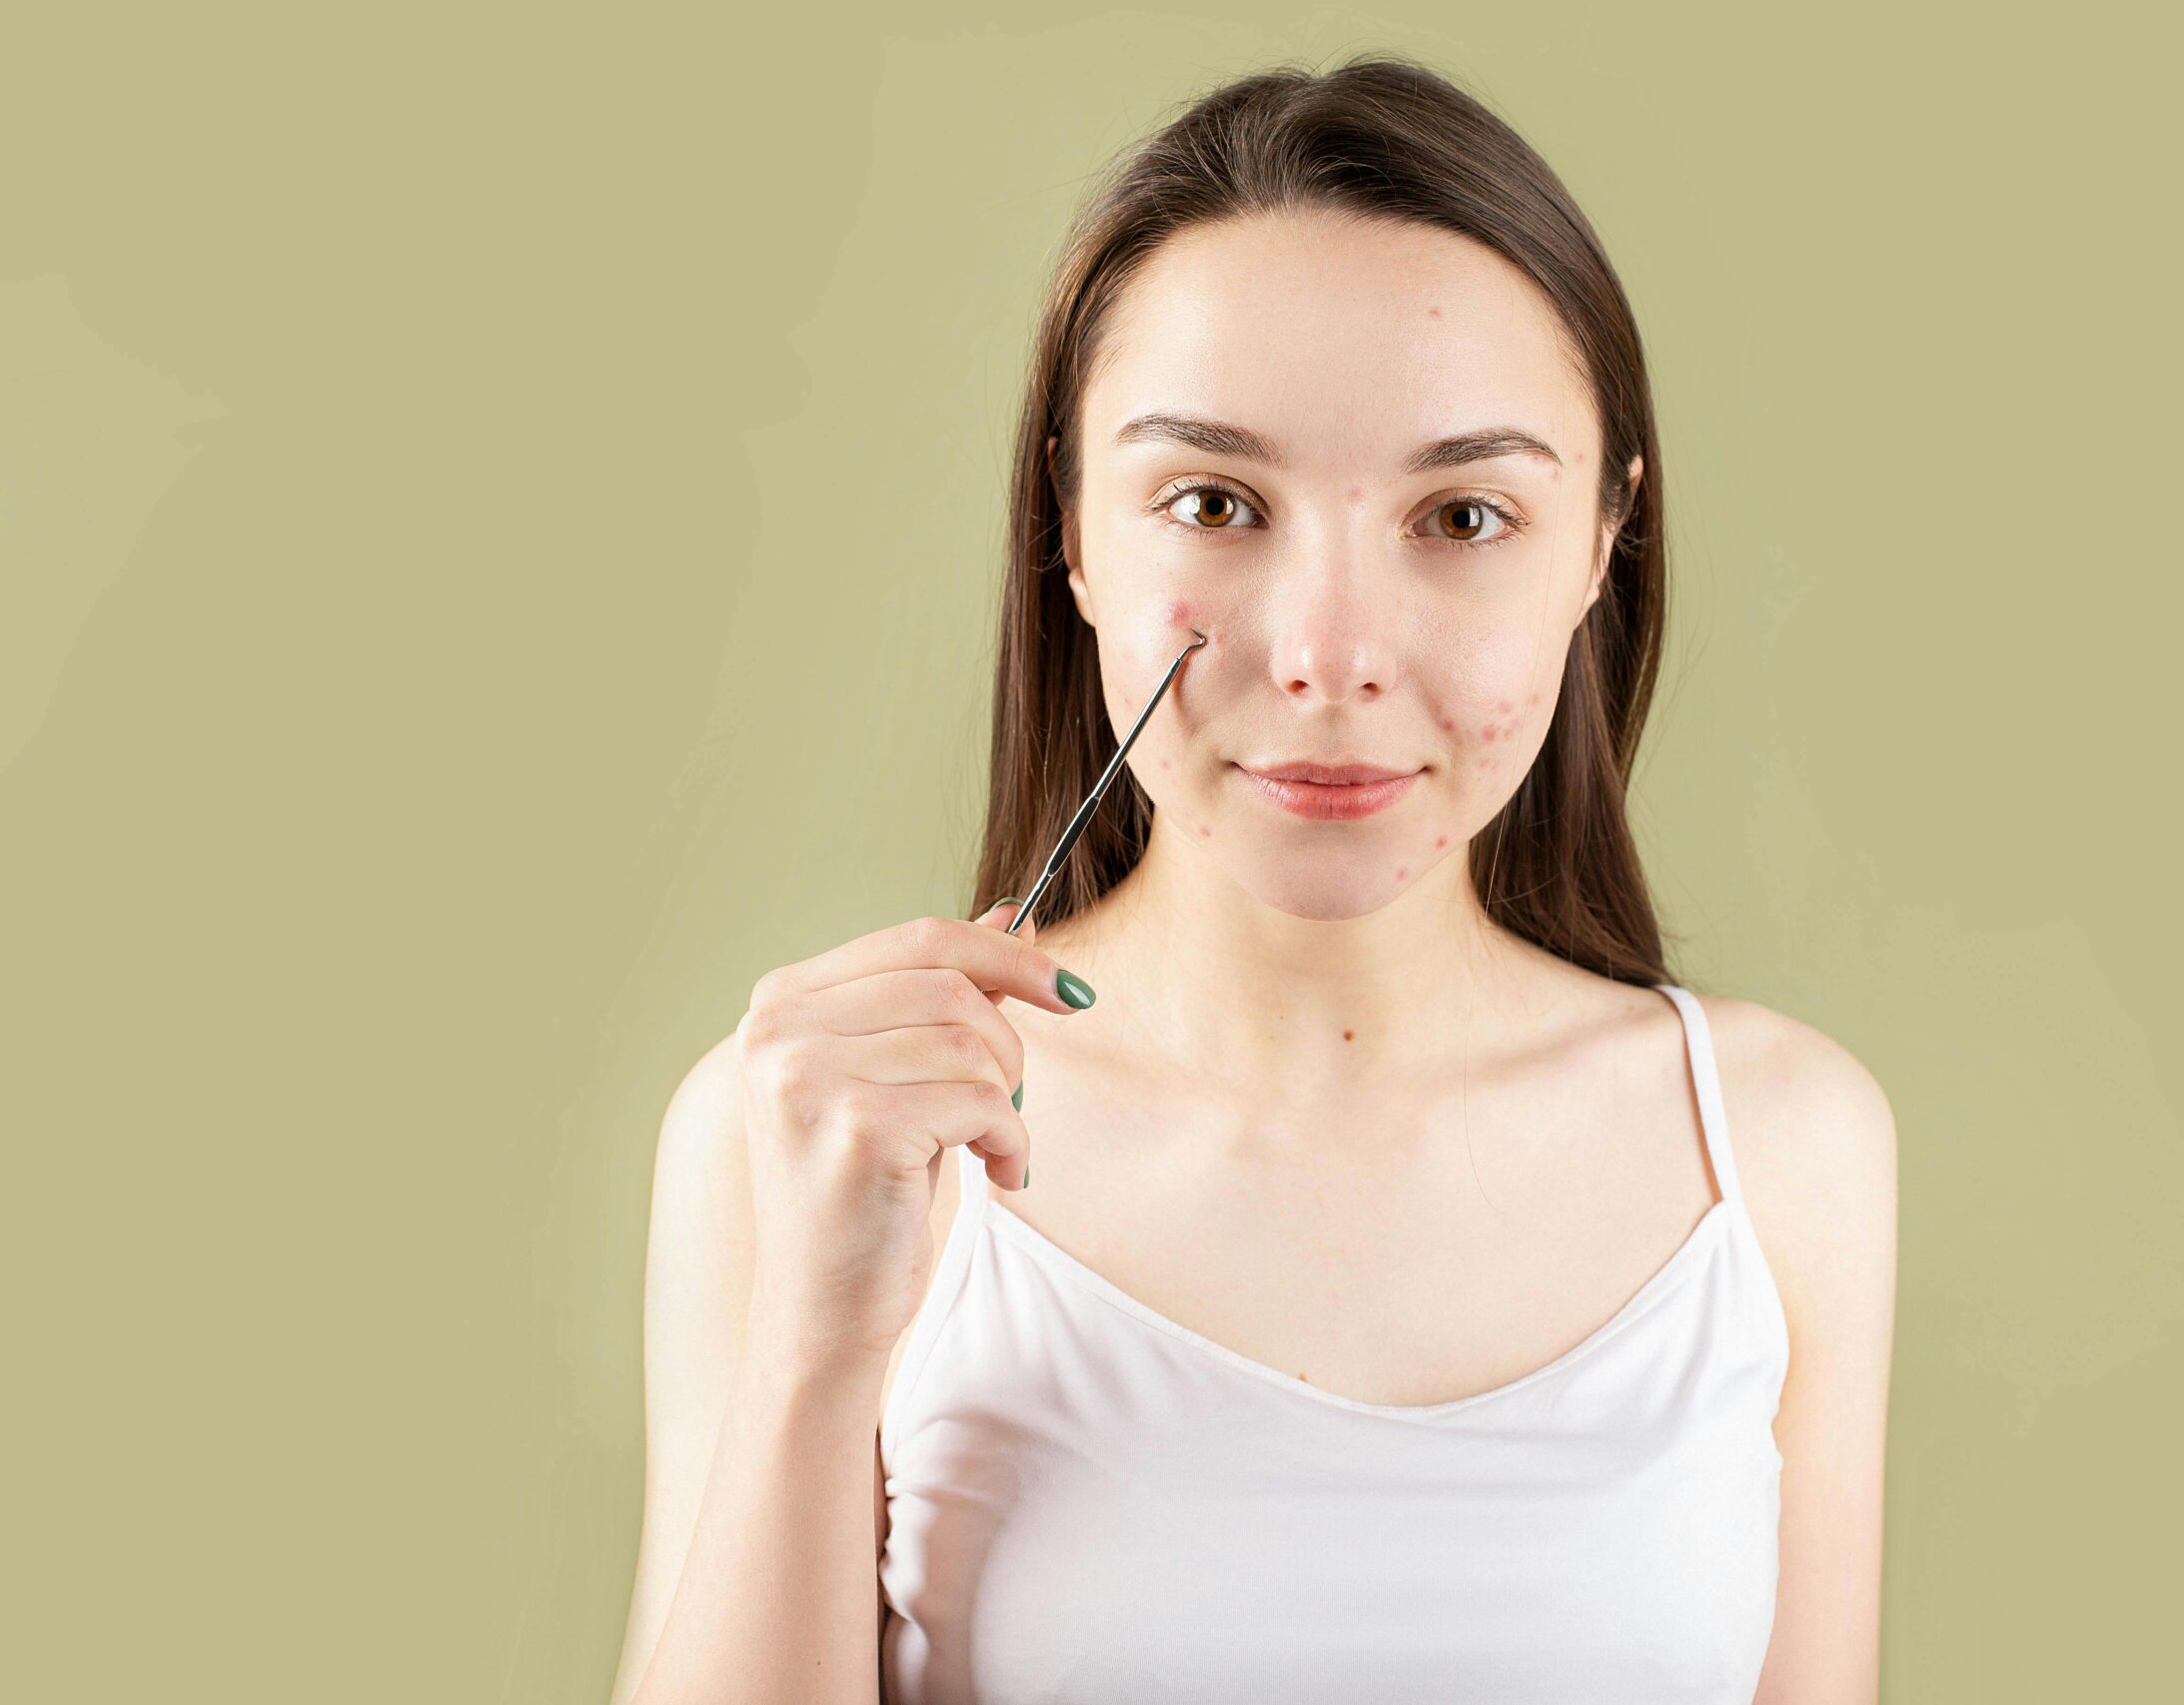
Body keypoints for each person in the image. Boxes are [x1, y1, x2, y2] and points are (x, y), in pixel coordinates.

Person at [609, 53, 1895, 1705]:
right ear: (1072, 535)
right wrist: (815, 1350)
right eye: (1215, 501)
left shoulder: (1780, 1150)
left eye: (1464, 515)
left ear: (1602, 543)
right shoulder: (814, 1130)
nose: (1329, 656)